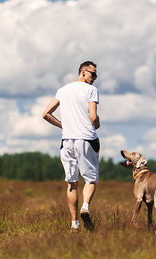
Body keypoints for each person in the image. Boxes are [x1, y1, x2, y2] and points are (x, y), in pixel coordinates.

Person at [42, 61, 100, 231]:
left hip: (66, 141)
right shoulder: (91, 90)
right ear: (83, 72)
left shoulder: (63, 90)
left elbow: (45, 114)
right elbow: (93, 117)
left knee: (71, 182)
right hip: (86, 139)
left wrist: (63, 126)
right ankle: (85, 207)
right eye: (93, 74)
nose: (94, 79)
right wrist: (97, 123)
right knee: (90, 179)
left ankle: (74, 224)